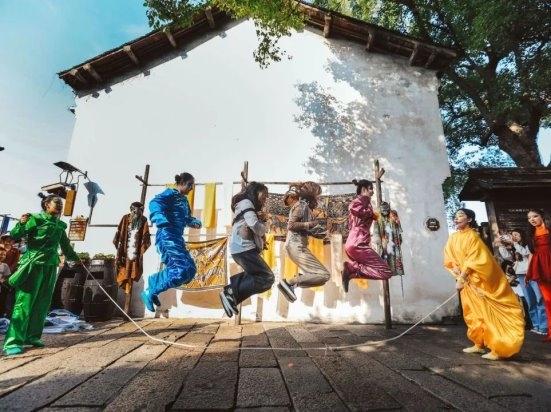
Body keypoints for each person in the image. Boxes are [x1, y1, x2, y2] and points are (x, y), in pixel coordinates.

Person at [2, 195, 83, 356]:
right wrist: (21, 223)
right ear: (46, 205)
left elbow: (65, 246)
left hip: (50, 266)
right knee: (25, 302)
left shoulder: (60, 225)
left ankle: (32, 336)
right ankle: (13, 341)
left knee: (42, 303)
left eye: (62, 204)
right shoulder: (35, 219)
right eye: (57, 203)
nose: (60, 206)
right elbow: (17, 236)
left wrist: (76, 259)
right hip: (33, 264)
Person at [444, 208, 524, 360]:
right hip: (466, 282)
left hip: (477, 282)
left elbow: (474, 260)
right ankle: (479, 343)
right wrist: (454, 266)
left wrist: (461, 278)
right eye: (455, 216)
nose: (456, 218)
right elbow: (449, 255)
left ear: (469, 219)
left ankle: (499, 348)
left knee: (486, 312)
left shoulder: (473, 236)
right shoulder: (453, 237)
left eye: (460, 215)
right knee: (471, 313)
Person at [141, 172, 202, 312]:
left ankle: (154, 286)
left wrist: (193, 222)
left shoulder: (184, 201)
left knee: (190, 270)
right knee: (180, 270)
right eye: (190, 185)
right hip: (167, 237)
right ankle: (151, 291)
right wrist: (159, 217)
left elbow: (186, 218)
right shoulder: (169, 194)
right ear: (182, 183)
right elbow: (154, 203)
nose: (191, 188)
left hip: (177, 238)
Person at [219, 182, 275, 317]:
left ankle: (231, 295)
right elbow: (254, 225)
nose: (265, 198)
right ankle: (230, 292)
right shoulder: (246, 203)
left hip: (241, 249)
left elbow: (249, 226)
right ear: (255, 191)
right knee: (267, 277)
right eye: (264, 194)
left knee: (256, 276)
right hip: (244, 249)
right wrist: (265, 226)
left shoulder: (245, 205)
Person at [278, 182, 330, 302]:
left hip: (296, 246)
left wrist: (324, 234)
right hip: (296, 246)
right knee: (323, 275)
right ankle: (289, 282)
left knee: (318, 276)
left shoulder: (304, 208)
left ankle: (291, 284)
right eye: (318, 196)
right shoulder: (301, 206)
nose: (318, 199)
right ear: (311, 195)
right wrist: (310, 224)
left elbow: (310, 230)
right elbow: (291, 225)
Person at [342, 179, 392, 293]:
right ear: (364, 189)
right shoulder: (363, 199)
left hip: (354, 243)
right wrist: (371, 214)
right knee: (386, 272)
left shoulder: (364, 202)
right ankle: (351, 269)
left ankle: (351, 272)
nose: (372, 193)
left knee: (378, 269)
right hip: (358, 244)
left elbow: (359, 214)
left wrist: (373, 216)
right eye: (371, 189)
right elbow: (353, 207)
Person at [507, 228, 547, 335]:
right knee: (530, 301)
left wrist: (515, 244)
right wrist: (502, 245)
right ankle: (536, 325)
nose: (514, 237)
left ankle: (544, 326)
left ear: (522, 236)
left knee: (539, 299)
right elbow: (507, 257)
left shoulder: (527, 245)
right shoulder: (515, 248)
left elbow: (525, 253)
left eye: (516, 234)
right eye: (513, 235)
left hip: (532, 275)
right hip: (521, 275)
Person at [525, 208, 551, 342]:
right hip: (540, 267)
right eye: (529, 218)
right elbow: (531, 253)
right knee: (547, 301)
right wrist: (528, 273)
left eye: (535, 216)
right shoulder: (531, 233)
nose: (532, 220)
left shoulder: (549, 229)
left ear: (542, 216)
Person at [113, 201, 151, 290]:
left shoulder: (143, 220)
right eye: (134, 211)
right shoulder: (125, 218)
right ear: (131, 210)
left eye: (139, 211)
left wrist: (141, 250)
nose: (136, 213)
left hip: (135, 253)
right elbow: (119, 234)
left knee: (132, 271)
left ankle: (128, 301)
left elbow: (146, 238)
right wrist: (120, 247)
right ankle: (126, 296)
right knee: (124, 270)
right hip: (124, 254)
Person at [0, 245, 13, 318]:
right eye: (1, 254)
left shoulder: (5, 266)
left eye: (4, 255)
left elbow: (7, 276)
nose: (2, 256)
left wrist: (3, 280)